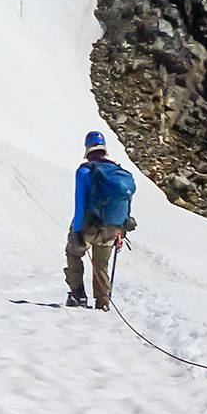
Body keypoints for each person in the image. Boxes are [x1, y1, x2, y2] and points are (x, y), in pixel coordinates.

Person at [65, 130, 137, 310]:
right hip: (112, 228)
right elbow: (126, 203)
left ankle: (77, 294)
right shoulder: (119, 172)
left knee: (73, 253)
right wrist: (121, 230)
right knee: (101, 265)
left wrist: (77, 230)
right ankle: (103, 302)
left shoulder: (84, 171)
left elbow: (80, 203)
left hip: (88, 227)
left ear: (87, 149)